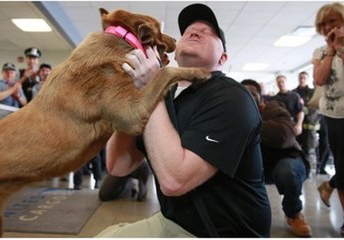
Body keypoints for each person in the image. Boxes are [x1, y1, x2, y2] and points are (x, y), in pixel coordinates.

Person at [96, 3, 271, 237]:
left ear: (223, 58)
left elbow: (175, 181)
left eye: (209, 31)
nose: (195, 30)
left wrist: (151, 87)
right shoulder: (165, 98)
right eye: (188, 30)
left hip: (228, 232)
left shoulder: (232, 97)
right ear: (174, 54)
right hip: (175, 222)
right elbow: (119, 165)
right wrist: (132, 97)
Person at [242, 79, 312, 237]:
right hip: (259, 166)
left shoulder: (274, 108)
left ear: (261, 98)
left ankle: (293, 214)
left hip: (287, 159)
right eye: (244, 94)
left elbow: (284, 136)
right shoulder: (236, 114)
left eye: (252, 94)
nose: (249, 97)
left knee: (288, 171)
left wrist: (248, 122)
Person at [312, 2, 344, 234]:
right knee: (342, 165)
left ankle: (329, 184)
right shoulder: (319, 52)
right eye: (323, 23)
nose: (328, 26)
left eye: (332, 20)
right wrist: (331, 51)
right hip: (333, 115)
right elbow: (320, 80)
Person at [292, 71, 320, 173]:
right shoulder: (293, 93)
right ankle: (299, 169)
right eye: (300, 77)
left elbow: (315, 108)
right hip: (296, 127)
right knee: (297, 149)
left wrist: (303, 111)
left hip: (310, 126)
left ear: (306, 79)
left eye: (304, 77)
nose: (302, 79)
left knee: (309, 150)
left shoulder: (312, 92)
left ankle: (308, 170)